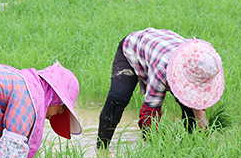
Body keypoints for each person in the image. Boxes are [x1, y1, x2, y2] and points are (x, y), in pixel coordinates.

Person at [96, 27, 224, 149]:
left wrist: (202, 123)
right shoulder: (163, 70)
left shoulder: (203, 63)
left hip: (161, 47)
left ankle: (193, 146)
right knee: (117, 99)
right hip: (133, 48)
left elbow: (195, 102)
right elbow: (149, 114)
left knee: (188, 108)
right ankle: (102, 149)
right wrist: (158, 147)